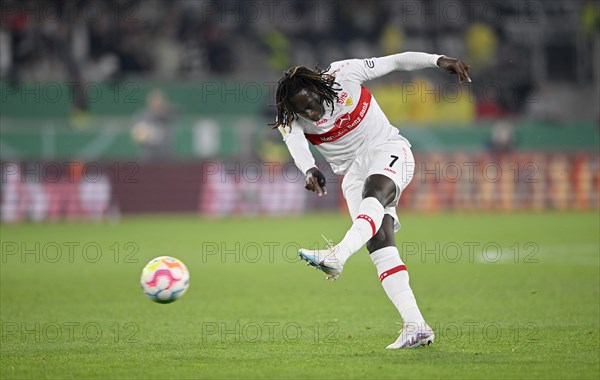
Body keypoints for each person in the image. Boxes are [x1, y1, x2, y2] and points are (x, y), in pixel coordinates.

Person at [273, 52, 471, 349]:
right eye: (304, 110)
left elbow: (394, 62)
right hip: (352, 174)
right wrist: (310, 169)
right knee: (380, 246)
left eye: (312, 103)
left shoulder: (344, 74)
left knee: (375, 192)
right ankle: (416, 326)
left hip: (388, 149)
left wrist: (437, 60)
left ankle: (337, 255)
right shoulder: (289, 117)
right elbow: (296, 144)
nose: (312, 113)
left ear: (318, 88)